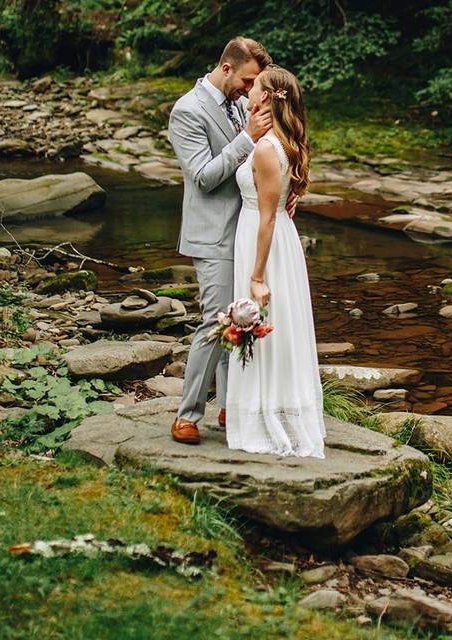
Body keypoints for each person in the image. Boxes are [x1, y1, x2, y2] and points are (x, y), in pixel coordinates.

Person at [167, 37, 278, 445]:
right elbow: (204, 176)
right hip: (213, 234)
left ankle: (232, 407)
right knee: (215, 324)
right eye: (247, 81)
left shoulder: (236, 103)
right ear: (227, 68)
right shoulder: (187, 110)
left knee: (243, 318)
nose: (250, 91)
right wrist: (247, 137)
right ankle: (187, 415)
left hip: (245, 231)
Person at [224, 65, 325, 458]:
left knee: (266, 323)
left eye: (256, 87)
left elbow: (266, 215)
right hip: (273, 235)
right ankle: (278, 411)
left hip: (263, 241)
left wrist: (256, 275)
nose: (249, 91)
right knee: (278, 329)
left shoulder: (267, 148)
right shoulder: (276, 140)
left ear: (266, 97)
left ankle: (267, 419)